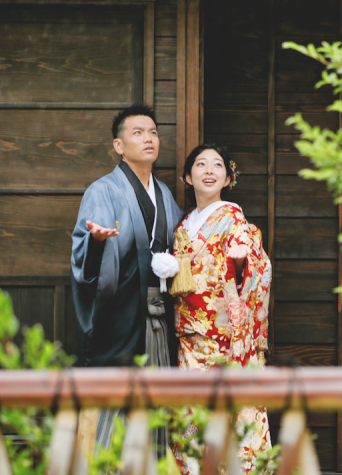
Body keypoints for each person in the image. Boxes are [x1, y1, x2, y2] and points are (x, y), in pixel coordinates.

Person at [70, 103, 184, 451]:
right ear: (119, 146)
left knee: (157, 406)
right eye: (138, 132)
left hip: (159, 317)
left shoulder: (164, 194)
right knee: (113, 406)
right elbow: (84, 261)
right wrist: (96, 243)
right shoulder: (103, 191)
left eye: (153, 132)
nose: (148, 139)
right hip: (120, 317)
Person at [173, 143, 272, 474]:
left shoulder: (232, 215)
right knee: (192, 415)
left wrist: (244, 263)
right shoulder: (184, 225)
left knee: (226, 415)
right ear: (188, 177)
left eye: (217, 165)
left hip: (223, 334)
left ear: (228, 177)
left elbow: (254, 268)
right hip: (188, 335)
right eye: (200, 165)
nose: (209, 170)